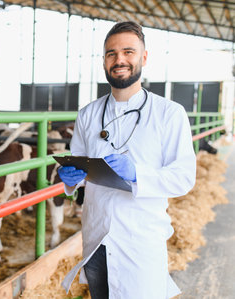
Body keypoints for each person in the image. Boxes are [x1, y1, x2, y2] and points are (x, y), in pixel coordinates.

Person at [58, 21, 196, 299]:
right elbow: (79, 163)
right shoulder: (88, 114)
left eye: (128, 52)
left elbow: (183, 177)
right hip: (96, 237)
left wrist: (138, 174)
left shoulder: (169, 113)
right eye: (111, 54)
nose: (119, 59)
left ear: (143, 57)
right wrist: (70, 179)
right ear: (104, 61)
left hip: (141, 239)